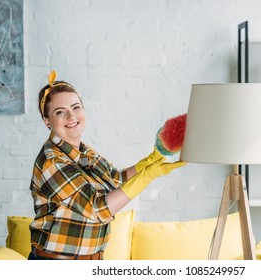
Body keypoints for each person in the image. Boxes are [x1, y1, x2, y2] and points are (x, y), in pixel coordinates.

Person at [28, 71, 186, 260]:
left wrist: (149, 161)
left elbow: (116, 179)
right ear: (47, 121)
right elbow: (98, 209)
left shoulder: (83, 152)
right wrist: (146, 177)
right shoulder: (52, 161)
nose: (71, 116)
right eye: (60, 112)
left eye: (76, 107)